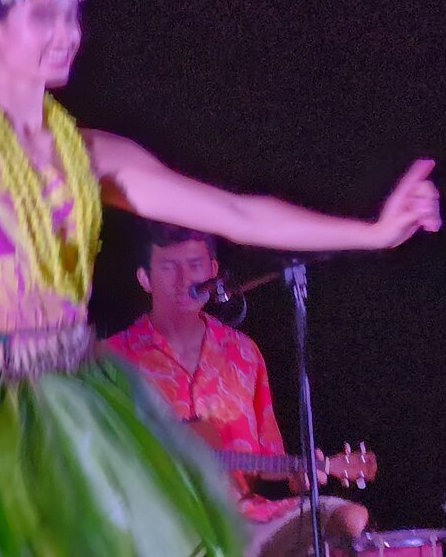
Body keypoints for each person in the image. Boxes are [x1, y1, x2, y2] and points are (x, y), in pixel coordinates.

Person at [0, 0, 440, 557]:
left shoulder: (91, 154)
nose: (68, 33)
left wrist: (371, 232)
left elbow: (237, 213)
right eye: (43, 17)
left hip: (73, 395)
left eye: (73, 16)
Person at [106, 224, 370, 557]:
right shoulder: (110, 359)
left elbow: (268, 459)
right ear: (145, 278)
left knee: (346, 518)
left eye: (195, 265)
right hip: (148, 524)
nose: (184, 279)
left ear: (213, 272)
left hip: (241, 521)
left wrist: (299, 473)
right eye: (169, 267)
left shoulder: (244, 353)